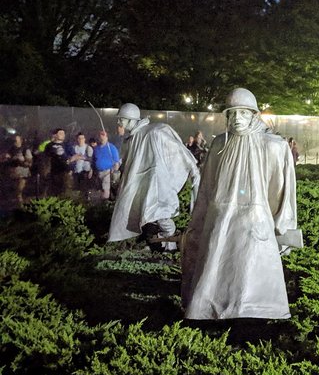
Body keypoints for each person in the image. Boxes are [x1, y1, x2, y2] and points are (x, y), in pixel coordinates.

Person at [181, 87, 299, 320]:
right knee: (217, 270)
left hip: (255, 221)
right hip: (220, 218)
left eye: (242, 113)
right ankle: (211, 312)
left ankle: (253, 315)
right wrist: (200, 221)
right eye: (231, 113)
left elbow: (280, 191)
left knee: (251, 273)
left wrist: (280, 226)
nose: (236, 119)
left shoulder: (273, 146)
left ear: (253, 114)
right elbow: (206, 188)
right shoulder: (218, 145)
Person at [108, 103, 200, 252]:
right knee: (145, 213)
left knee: (160, 213)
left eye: (122, 119)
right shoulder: (130, 139)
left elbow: (177, 149)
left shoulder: (153, 132)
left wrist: (192, 168)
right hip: (141, 183)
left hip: (157, 182)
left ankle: (168, 241)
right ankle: (161, 243)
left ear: (132, 120)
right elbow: (127, 163)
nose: (119, 123)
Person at [44, 128, 74, 196]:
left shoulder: (67, 145)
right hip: (54, 172)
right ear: (55, 135)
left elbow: (73, 156)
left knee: (65, 191)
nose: (63, 135)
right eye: (60, 133)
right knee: (53, 191)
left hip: (65, 171)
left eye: (63, 133)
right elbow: (46, 158)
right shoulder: (49, 146)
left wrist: (71, 168)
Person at [4, 134, 33, 204]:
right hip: (14, 170)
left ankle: (19, 197)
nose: (15, 141)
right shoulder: (11, 149)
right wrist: (8, 158)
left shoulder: (25, 149)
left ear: (21, 140)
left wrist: (23, 161)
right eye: (14, 140)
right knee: (15, 185)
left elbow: (29, 159)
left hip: (23, 170)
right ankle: (16, 198)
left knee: (21, 185)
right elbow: (7, 157)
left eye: (17, 139)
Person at [93, 130, 120, 200]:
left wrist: (114, 172)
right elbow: (93, 160)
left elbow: (117, 162)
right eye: (100, 135)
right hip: (98, 172)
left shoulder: (112, 148)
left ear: (107, 137)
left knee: (106, 189)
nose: (102, 137)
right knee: (99, 189)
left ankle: (105, 203)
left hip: (108, 172)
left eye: (103, 135)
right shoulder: (96, 148)